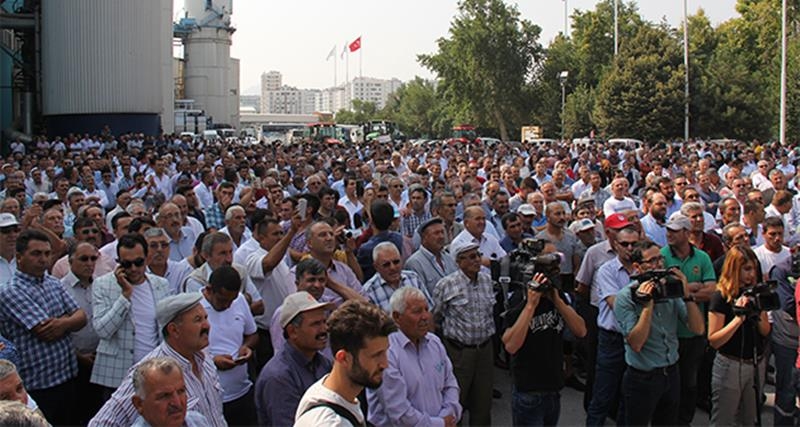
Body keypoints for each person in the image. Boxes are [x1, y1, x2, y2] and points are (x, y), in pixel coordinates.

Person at [89, 293, 227, 427]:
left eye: (205, 318)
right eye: (198, 320)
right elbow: (101, 423)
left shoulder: (205, 359)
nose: (207, 325)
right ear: (174, 330)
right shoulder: (149, 375)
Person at [0, 229, 86, 425]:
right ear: (19, 257)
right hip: (39, 385)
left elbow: (82, 318)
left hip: (68, 377)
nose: (43, 259)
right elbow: (45, 331)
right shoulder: (10, 291)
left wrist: (61, 322)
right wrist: (68, 320)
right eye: (36, 254)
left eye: (47, 254)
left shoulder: (53, 283)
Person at [614, 241, 705, 425]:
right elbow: (636, 343)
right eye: (652, 261)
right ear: (638, 267)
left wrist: (686, 294)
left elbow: (698, 328)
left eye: (660, 259)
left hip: (671, 371)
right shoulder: (626, 297)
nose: (659, 265)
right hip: (642, 377)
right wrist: (648, 306)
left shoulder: (670, 290)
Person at [502, 264, 587, 426]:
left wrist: (557, 300)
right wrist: (530, 306)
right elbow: (511, 346)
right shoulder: (519, 299)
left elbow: (581, 331)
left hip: (553, 386)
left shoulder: (556, 297)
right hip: (529, 388)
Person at [368, 286, 462, 426]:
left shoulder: (434, 343)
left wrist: (448, 414)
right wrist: (440, 424)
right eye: (417, 312)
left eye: (426, 309)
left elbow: (450, 385)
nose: (425, 317)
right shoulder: (387, 353)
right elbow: (399, 412)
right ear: (396, 317)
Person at [91, 233, 173, 393]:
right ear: (119, 263)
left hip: (154, 373)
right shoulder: (102, 285)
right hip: (118, 377)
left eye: (138, 262)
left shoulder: (161, 284)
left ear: (147, 258)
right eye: (127, 264)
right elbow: (103, 330)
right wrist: (125, 296)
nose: (133, 269)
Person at [295, 300, 396, 426]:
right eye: (376, 355)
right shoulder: (329, 423)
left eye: (385, 352)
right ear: (343, 358)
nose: (384, 364)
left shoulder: (339, 396)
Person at [661, 213, 717, 425]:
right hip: (670, 331)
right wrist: (695, 286)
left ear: (686, 233)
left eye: (674, 231)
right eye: (668, 230)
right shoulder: (662, 255)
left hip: (693, 332)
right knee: (670, 384)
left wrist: (685, 291)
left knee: (689, 383)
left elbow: (712, 290)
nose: (669, 234)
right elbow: (664, 290)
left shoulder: (701, 257)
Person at [433, 240, 496, 426]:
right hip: (459, 353)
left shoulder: (486, 280)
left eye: (477, 255)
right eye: (470, 257)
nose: (477, 260)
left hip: (485, 350)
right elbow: (435, 317)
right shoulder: (446, 285)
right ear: (458, 262)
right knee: (455, 402)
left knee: (483, 403)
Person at [707, 245, 770, 426]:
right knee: (724, 420)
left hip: (756, 363)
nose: (751, 275)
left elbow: (765, 331)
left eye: (754, 269)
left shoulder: (756, 292)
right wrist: (738, 319)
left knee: (749, 420)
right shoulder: (720, 297)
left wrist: (757, 311)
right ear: (734, 269)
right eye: (746, 269)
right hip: (730, 365)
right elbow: (714, 340)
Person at [586, 226, 641, 426]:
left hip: (637, 339)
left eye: (634, 244)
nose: (629, 248)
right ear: (615, 245)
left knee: (630, 398)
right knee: (603, 395)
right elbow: (616, 304)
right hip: (612, 339)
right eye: (625, 244)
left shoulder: (644, 268)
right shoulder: (606, 270)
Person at [256, 291, 334, 426]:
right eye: (315, 324)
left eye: (324, 322)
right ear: (293, 331)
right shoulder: (278, 377)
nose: (324, 329)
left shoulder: (322, 363)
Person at [201, 266, 258, 425]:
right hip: (211, 400)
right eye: (222, 300)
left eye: (231, 301)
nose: (227, 305)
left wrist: (247, 347)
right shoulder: (194, 308)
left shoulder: (239, 300)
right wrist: (213, 361)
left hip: (242, 393)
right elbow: (184, 352)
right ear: (209, 290)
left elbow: (252, 334)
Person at [60, 241, 103, 423]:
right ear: (70, 262)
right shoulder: (60, 288)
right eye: (84, 259)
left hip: (100, 360)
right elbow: (60, 330)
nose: (89, 263)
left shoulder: (101, 285)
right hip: (74, 363)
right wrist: (79, 356)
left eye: (93, 258)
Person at [130, 357, 210, 427]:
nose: (177, 403)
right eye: (165, 396)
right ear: (139, 404)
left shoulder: (198, 421)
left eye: (181, 391)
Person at [362, 242, 433, 312]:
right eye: (386, 264)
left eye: (396, 262)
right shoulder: (369, 291)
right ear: (376, 267)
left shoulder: (413, 278)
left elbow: (430, 309)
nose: (392, 267)